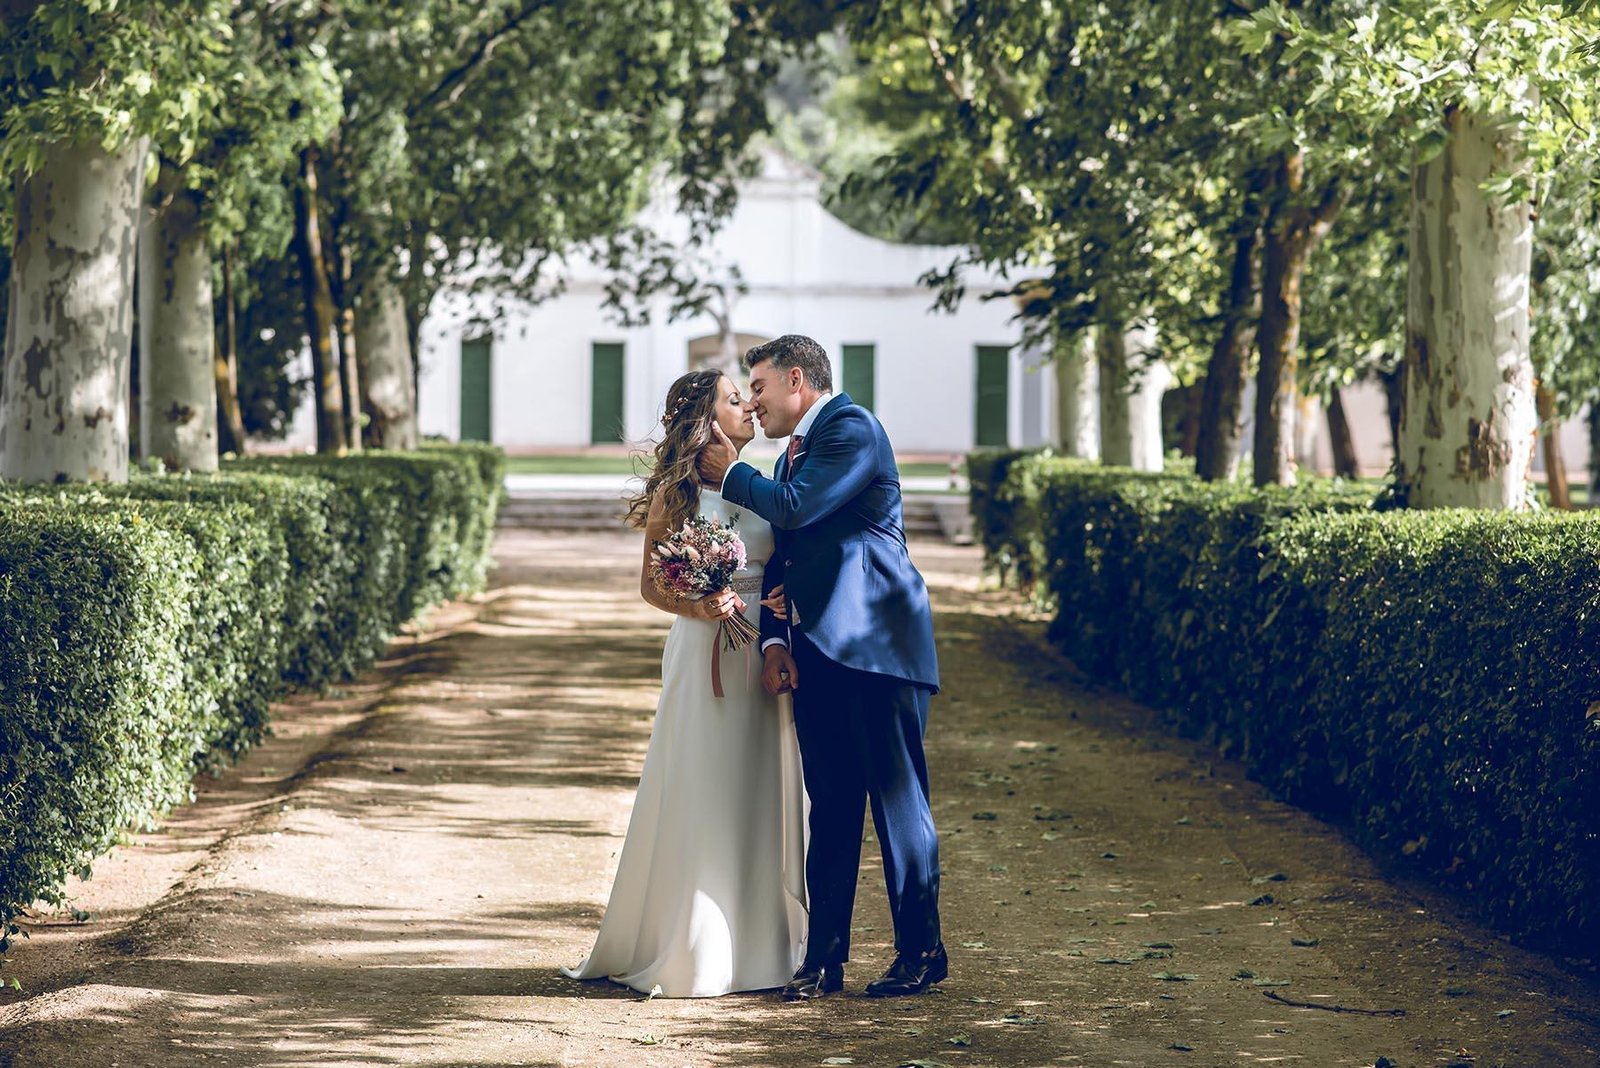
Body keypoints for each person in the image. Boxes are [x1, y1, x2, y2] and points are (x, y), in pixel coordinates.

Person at [699, 335, 946, 1000]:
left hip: (879, 648)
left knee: (898, 806)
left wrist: (728, 472)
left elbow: (799, 509)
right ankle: (822, 961)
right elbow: (782, 555)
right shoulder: (791, 458)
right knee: (832, 809)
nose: (753, 402)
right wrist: (775, 641)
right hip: (817, 658)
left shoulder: (852, 429)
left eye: (759, 388)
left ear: (797, 380)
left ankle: (923, 953)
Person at [563, 369, 808, 997]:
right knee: (702, 779)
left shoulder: (765, 482)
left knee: (758, 784)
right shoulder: (678, 494)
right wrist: (701, 605)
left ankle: (761, 941)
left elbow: (786, 556)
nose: (750, 406)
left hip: (763, 652)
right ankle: (694, 941)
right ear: (706, 420)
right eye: (735, 399)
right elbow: (651, 584)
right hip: (706, 649)